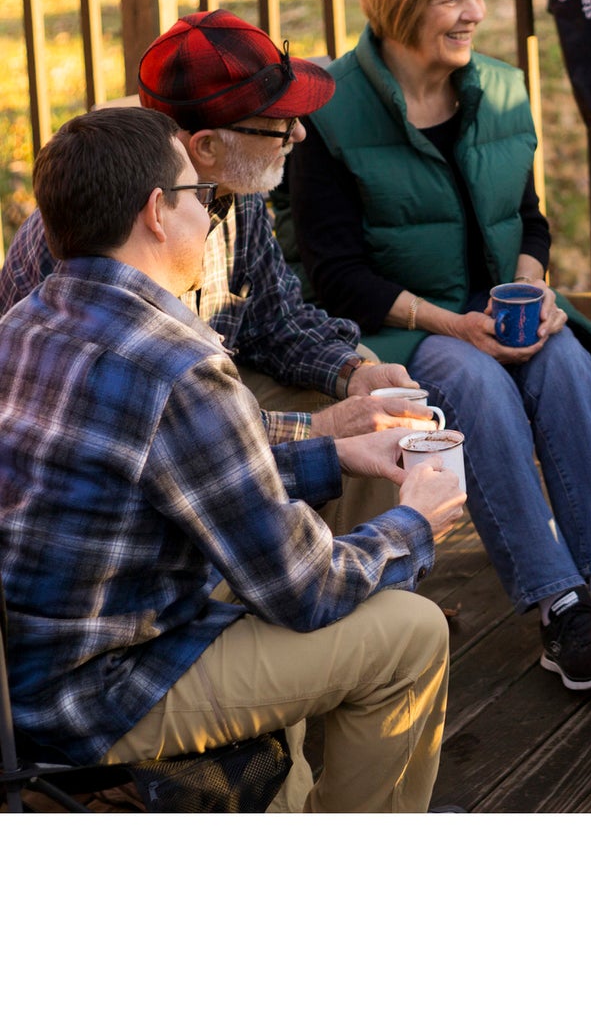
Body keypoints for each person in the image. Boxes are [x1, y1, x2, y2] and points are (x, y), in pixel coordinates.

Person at [0, 106, 467, 811]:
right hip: (105, 694)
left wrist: (334, 454)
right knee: (409, 635)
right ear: (157, 212)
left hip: (29, 672)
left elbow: (168, 473)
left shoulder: (26, 322)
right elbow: (303, 589)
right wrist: (417, 525)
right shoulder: (178, 362)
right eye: (199, 195)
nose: (212, 211)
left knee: (279, 603)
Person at [288, 0, 591, 694]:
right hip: (401, 325)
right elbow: (334, 272)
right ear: (399, 2)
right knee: (475, 382)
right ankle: (556, 603)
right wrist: (451, 321)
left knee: (562, 362)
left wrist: (536, 289)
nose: (473, 14)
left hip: (494, 311)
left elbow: (530, 220)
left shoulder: (502, 89)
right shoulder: (328, 110)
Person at [0, 10, 438, 535]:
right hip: (113, 475)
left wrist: (351, 373)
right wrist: (317, 431)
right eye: (278, 120)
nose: (298, 133)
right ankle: (297, 588)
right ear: (205, 146)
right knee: (341, 427)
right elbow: (138, 419)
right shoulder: (97, 230)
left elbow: (276, 321)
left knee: (361, 391)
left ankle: (350, 581)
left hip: (201, 404)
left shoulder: (236, 188)